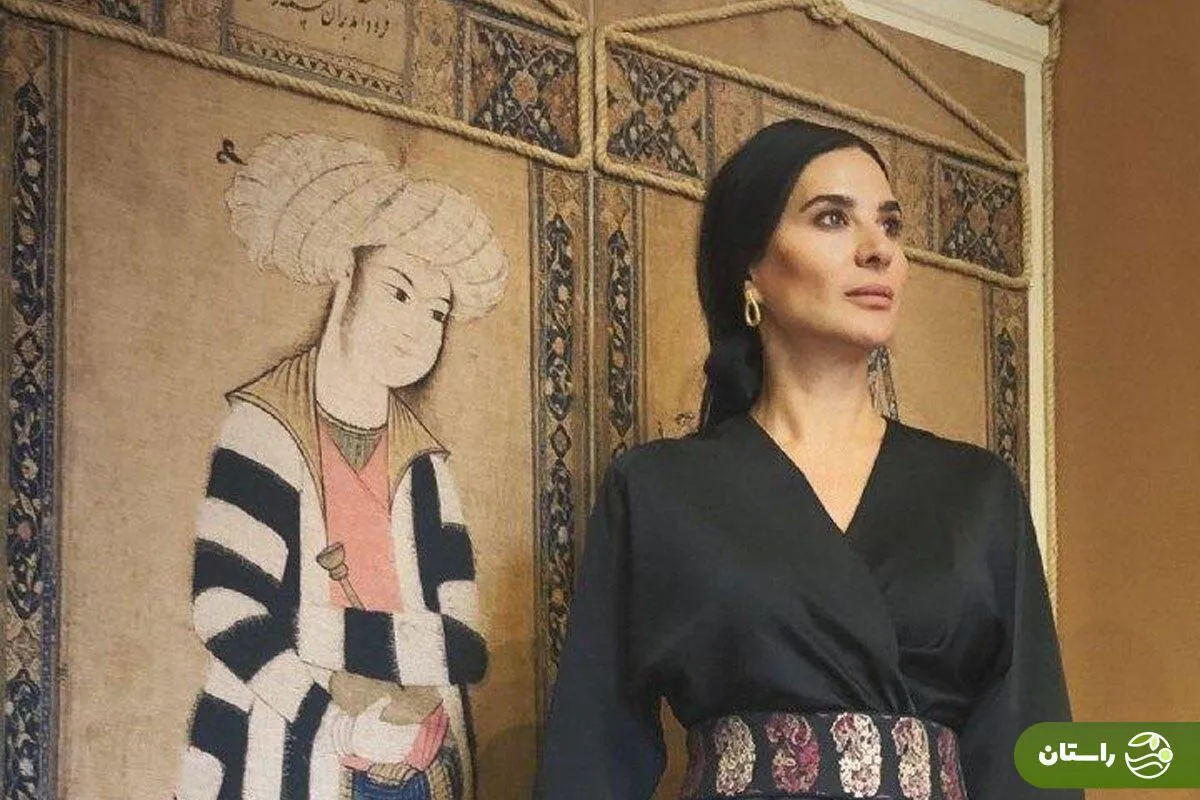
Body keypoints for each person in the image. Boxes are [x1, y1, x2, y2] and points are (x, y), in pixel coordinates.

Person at [534, 119, 1078, 800]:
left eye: (890, 224)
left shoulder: (977, 492)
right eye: (832, 219)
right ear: (751, 268)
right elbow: (591, 755)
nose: (878, 250)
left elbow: (1031, 751)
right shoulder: (658, 490)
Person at [176, 133, 506, 800]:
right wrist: (338, 723)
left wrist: (308, 630)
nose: (417, 328)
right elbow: (228, 611)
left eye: (437, 313)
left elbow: (465, 645)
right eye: (399, 293)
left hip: (418, 762)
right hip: (281, 751)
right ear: (345, 277)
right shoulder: (264, 428)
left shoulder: (426, 467)